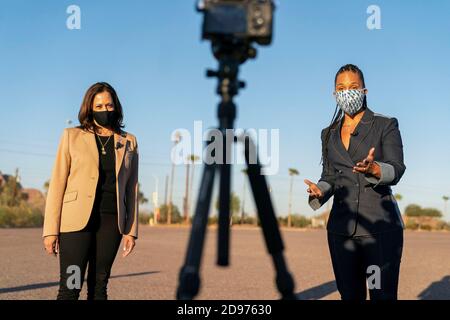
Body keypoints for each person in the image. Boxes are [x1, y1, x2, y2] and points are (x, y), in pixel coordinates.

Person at [304, 64, 406, 300]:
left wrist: (375, 168)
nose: (347, 92)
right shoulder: (328, 133)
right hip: (341, 229)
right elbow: (330, 176)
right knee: (350, 296)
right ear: (334, 94)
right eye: (341, 88)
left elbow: (397, 168)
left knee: (382, 295)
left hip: (379, 229)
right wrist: (320, 190)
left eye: (353, 87)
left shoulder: (385, 124)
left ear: (364, 91)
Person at [42, 82, 139, 300]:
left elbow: (131, 189)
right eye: (99, 105)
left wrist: (131, 230)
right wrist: (50, 230)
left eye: (109, 105)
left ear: (116, 107)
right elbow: (57, 183)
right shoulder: (71, 136)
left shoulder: (128, 141)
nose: (105, 110)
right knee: (71, 286)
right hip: (76, 224)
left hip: (110, 223)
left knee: (99, 287)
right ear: (89, 107)